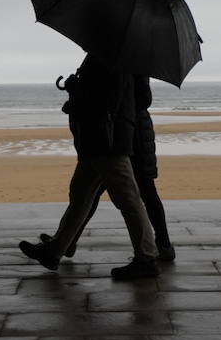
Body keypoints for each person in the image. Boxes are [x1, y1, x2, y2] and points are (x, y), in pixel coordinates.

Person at [18, 55, 160, 279]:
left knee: (127, 199)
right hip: (101, 140)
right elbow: (124, 98)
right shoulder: (118, 56)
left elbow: (105, 98)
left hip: (106, 140)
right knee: (81, 196)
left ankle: (147, 257)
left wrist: (76, 89)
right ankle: (54, 251)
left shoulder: (111, 57)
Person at [42, 74, 174, 261]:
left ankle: (160, 246)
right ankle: (67, 241)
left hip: (125, 132)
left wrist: (81, 91)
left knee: (140, 191)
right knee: (95, 193)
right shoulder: (125, 60)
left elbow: (140, 98)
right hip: (122, 130)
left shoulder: (124, 62)